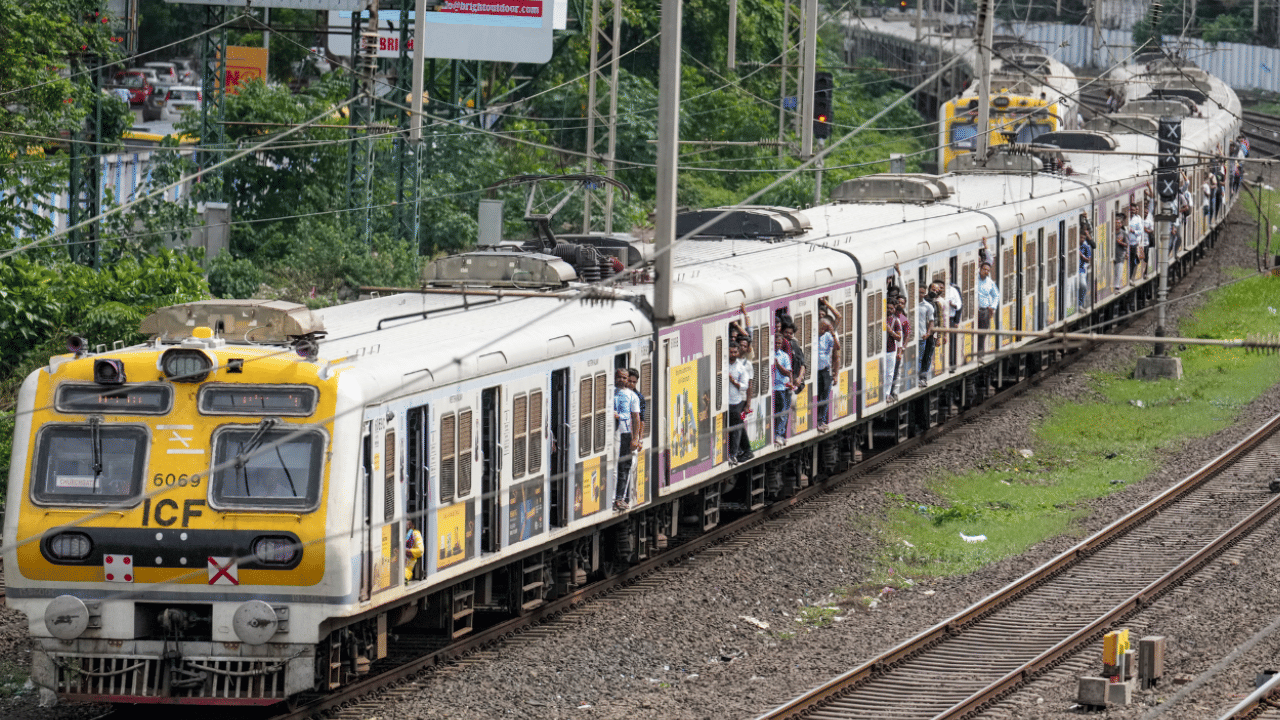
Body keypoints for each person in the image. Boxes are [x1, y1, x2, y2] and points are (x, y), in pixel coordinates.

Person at [612, 368, 641, 511]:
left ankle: (620, 498)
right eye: (619, 377)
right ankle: (612, 498)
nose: (621, 380)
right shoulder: (610, 393)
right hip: (612, 435)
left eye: (624, 378)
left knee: (623, 467)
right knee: (613, 467)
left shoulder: (632, 396)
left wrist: (635, 438)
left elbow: (636, 418)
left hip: (625, 433)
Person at [727, 344, 753, 463]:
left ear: (737, 353)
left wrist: (734, 382)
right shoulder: (723, 365)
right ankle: (745, 450)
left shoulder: (741, 368)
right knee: (733, 427)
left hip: (735, 402)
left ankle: (733, 454)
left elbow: (745, 386)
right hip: (724, 402)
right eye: (730, 352)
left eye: (734, 352)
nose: (732, 354)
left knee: (736, 428)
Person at [815, 317, 840, 430]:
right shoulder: (813, 336)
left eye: (825, 329)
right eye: (822, 328)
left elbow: (837, 347)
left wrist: (832, 332)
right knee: (817, 396)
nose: (823, 331)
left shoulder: (828, 336)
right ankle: (817, 420)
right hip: (815, 372)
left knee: (824, 396)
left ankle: (821, 420)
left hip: (825, 370)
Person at [772, 334, 793, 446]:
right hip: (773, 389)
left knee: (782, 412)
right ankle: (776, 434)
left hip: (781, 387)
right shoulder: (769, 355)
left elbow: (788, 372)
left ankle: (779, 434)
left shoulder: (784, 356)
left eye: (779, 343)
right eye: (775, 343)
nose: (777, 345)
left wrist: (778, 365)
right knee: (775, 413)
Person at [918, 283, 938, 388]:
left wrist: (928, 333)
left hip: (923, 337)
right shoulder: (911, 304)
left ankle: (921, 378)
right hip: (914, 337)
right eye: (919, 292)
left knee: (923, 358)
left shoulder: (929, 306)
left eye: (922, 292)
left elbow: (933, 321)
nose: (920, 294)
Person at [976, 261, 998, 358]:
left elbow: (996, 295)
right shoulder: (974, 279)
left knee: (982, 333)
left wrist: (992, 306)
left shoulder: (990, 282)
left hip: (984, 310)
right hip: (974, 311)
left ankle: (980, 353)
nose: (986, 272)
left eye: (988, 270)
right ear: (980, 269)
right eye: (984, 269)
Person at [884, 295, 902, 401]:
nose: (889, 310)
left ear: (894, 309)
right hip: (881, 351)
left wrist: (890, 331)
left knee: (890, 373)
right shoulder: (881, 319)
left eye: (891, 308)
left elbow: (899, 337)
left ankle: (887, 393)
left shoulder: (896, 321)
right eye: (887, 308)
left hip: (890, 350)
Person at [1078, 237, 1092, 308]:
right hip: (1073, 270)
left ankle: (1080, 304)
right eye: (1081, 237)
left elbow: (1088, 259)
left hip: (1081, 269)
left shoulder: (1085, 247)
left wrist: (1081, 255)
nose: (1082, 239)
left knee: (1083, 286)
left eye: (1083, 238)